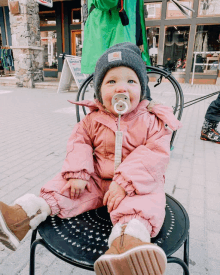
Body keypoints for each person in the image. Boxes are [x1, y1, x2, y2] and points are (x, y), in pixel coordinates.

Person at [0, 42, 181, 274]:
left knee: (142, 205)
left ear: (142, 89)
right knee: (63, 187)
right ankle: (18, 218)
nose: (121, 88)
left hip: (136, 184)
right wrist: (78, 173)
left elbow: (155, 154)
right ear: (99, 91)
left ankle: (127, 247)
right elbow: (79, 143)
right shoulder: (93, 119)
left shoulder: (151, 121)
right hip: (95, 178)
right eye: (111, 81)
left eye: (131, 81)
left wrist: (124, 183)